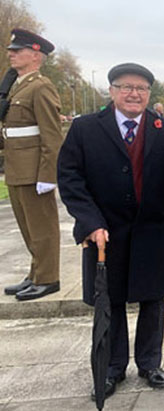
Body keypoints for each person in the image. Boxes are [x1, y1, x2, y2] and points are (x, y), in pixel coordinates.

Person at [58, 62, 164, 400]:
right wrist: (89, 222)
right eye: (126, 87)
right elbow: (71, 179)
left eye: (142, 88)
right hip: (106, 233)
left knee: (153, 300)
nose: (134, 93)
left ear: (150, 94)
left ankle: (149, 363)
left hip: (155, 231)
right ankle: (112, 368)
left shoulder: (163, 129)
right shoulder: (86, 128)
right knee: (110, 301)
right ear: (112, 91)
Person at [2, 29, 63, 301]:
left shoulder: (41, 86)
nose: (11, 53)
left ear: (35, 55)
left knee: (42, 228)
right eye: (11, 49)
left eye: (18, 50)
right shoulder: (17, 84)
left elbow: (51, 134)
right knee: (27, 227)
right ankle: (36, 273)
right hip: (16, 166)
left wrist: (48, 174)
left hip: (33, 169)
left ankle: (48, 278)